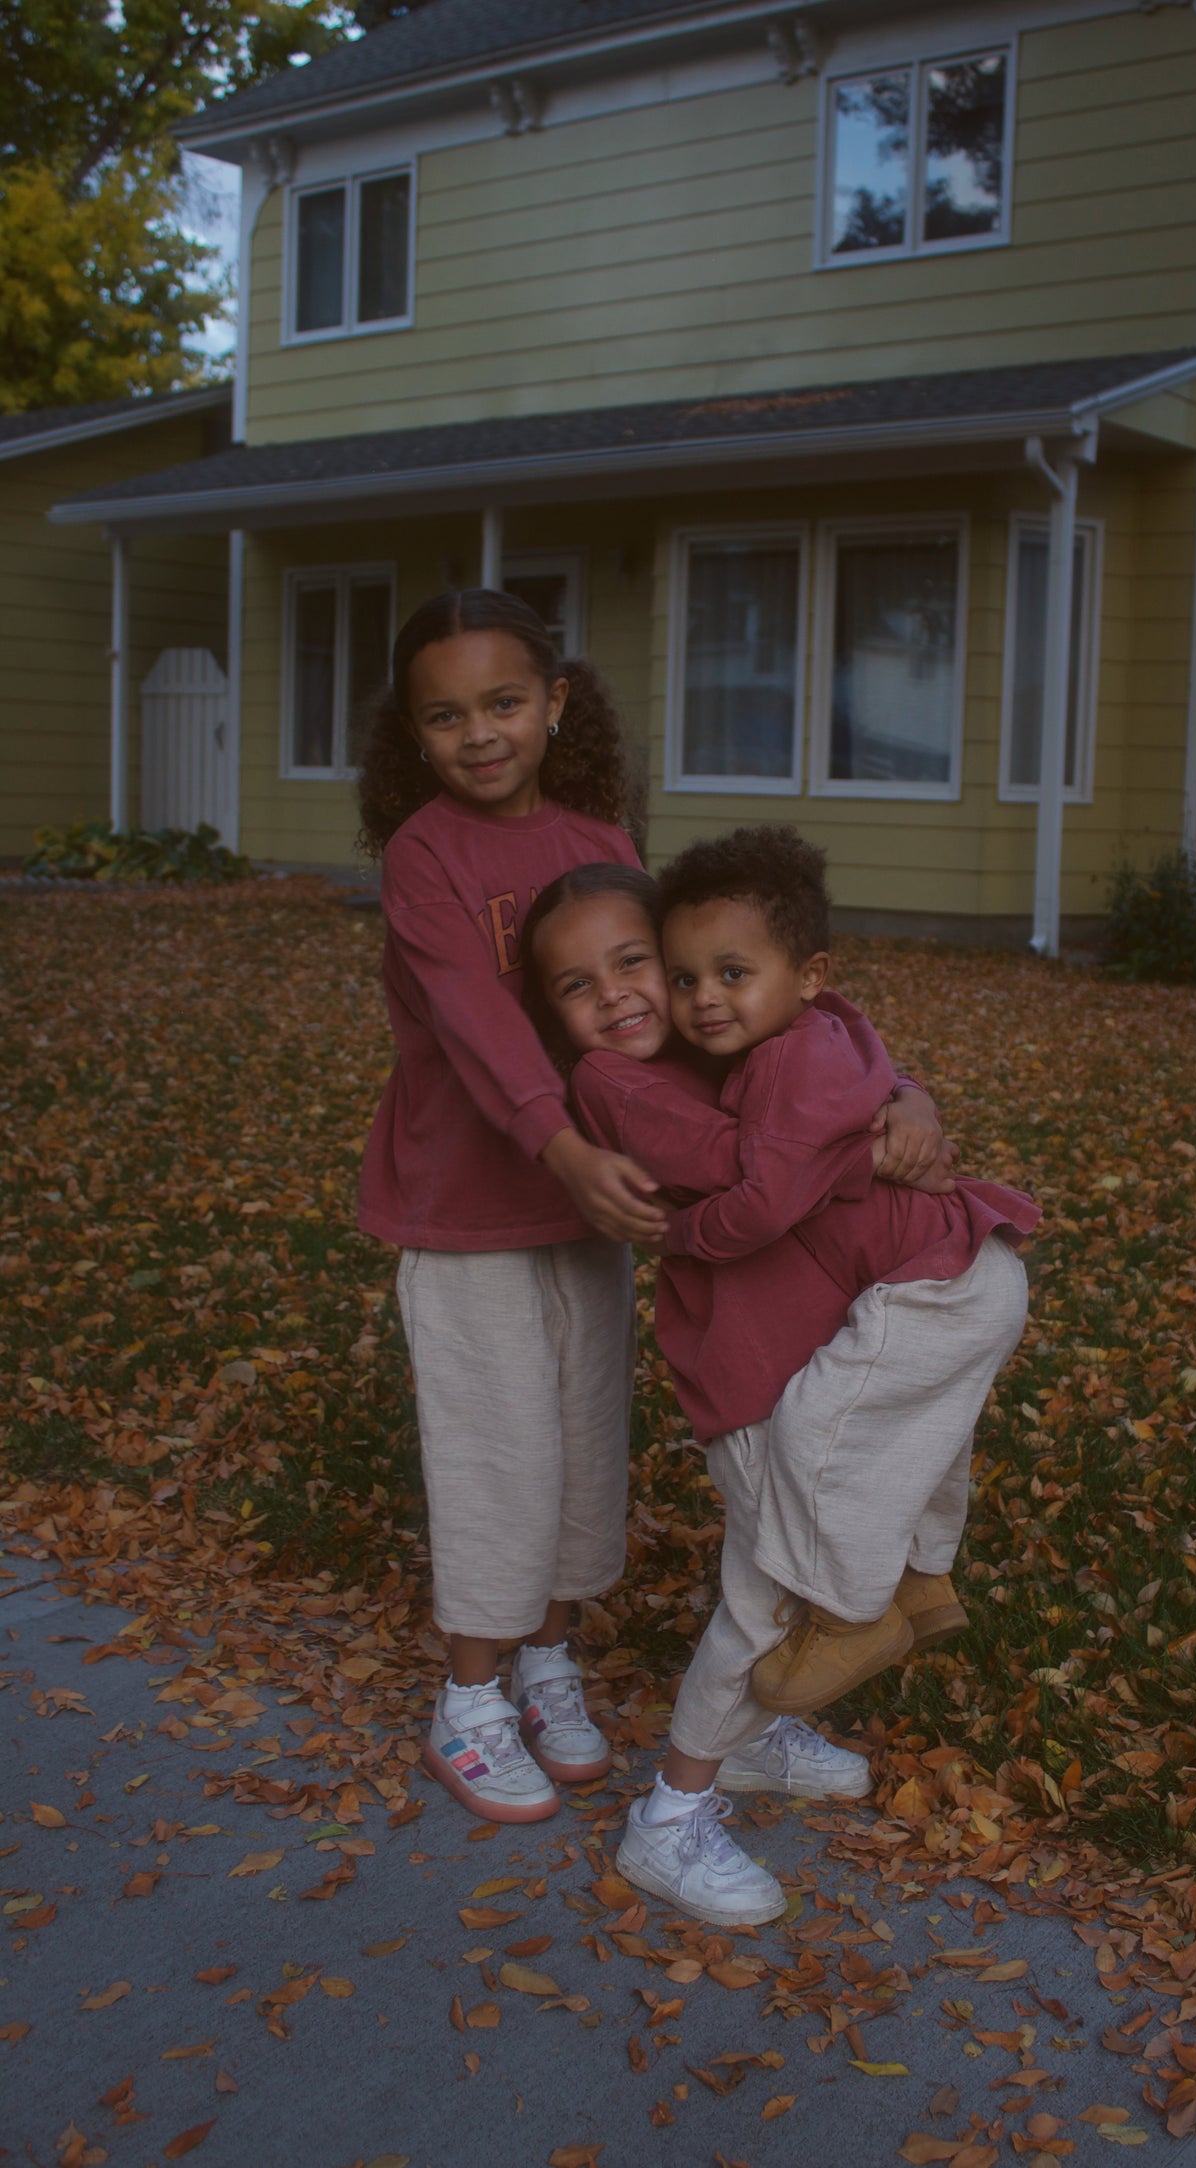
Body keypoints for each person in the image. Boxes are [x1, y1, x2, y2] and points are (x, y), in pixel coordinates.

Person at [520, 845, 1034, 1921]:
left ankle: (753, 1738)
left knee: (890, 1471)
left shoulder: (736, 1036)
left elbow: (837, 1066)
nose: (632, 995)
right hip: (750, 1370)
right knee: (763, 1593)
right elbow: (763, 1168)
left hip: (817, 1338)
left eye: (638, 964)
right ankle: (669, 1811)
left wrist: (908, 1095)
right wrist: (874, 1132)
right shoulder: (617, 1079)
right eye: (580, 985)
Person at [355, 588, 670, 1826]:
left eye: (501, 702)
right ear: (414, 735)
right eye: (445, 714)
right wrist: (559, 1142)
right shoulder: (423, 853)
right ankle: (469, 1698)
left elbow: (650, 995)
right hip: (471, 1203)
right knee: (498, 1453)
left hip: (591, 1204)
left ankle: (548, 1660)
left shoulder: (602, 835)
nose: (478, 732)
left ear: (553, 703)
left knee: (583, 1444)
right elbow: (475, 1021)